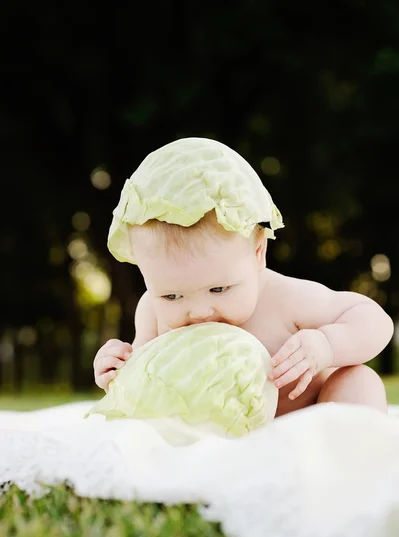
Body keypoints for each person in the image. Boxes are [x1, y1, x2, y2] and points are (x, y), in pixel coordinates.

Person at [93, 137, 394, 417]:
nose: (199, 312)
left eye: (219, 288)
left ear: (258, 253)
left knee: (359, 380)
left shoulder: (283, 298)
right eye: (171, 295)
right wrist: (116, 369)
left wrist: (327, 345)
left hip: (305, 427)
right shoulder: (151, 312)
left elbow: (372, 318)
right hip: (223, 444)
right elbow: (144, 388)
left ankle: (348, 459)